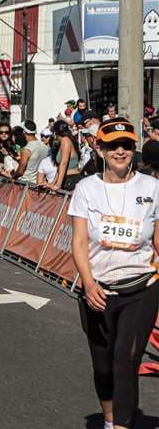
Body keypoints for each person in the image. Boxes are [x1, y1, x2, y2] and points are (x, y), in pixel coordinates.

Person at [69, 118, 159, 429]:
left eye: (127, 145)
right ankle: (111, 420)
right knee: (104, 367)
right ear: (100, 147)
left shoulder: (152, 188)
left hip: (142, 288)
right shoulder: (85, 189)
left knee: (126, 362)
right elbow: (79, 241)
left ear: (134, 149)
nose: (120, 151)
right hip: (98, 290)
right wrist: (89, 283)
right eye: (113, 145)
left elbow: (158, 239)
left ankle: (120, 426)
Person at [51, 119, 82, 191]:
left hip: (71, 179)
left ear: (55, 133)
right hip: (67, 179)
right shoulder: (64, 142)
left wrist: (58, 185)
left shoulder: (65, 141)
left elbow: (64, 164)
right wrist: (52, 184)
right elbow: (60, 168)